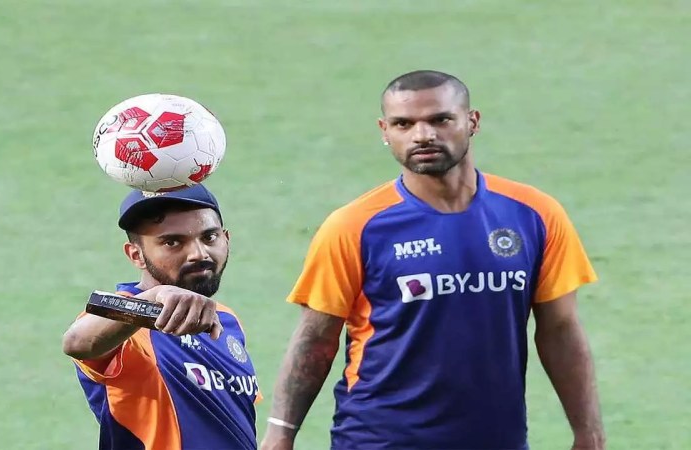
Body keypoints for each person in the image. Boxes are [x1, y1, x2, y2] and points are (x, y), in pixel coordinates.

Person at [260, 70, 604, 450]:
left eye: (440, 120)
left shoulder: (535, 214)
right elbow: (316, 338)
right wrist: (280, 433)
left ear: (472, 122)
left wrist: (588, 432)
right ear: (384, 131)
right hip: (380, 439)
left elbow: (560, 328)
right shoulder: (354, 226)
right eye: (403, 124)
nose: (423, 135)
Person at [62, 184, 261, 450]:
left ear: (226, 239)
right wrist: (153, 298)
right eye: (172, 242)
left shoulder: (226, 320)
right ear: (136, 255)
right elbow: (77, 342)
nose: (199, 253)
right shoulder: (127, 325)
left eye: (209, 237)